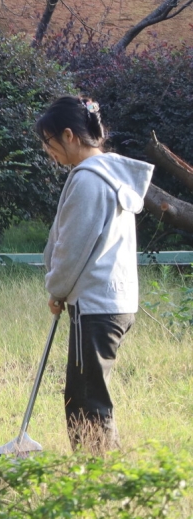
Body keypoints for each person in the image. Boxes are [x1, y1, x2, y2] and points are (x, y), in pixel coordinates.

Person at [38, 95, 153, 452]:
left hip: (96, 305)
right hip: (113, 301)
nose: (47, 151)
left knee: (87, 401)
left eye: (48, 142)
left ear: (68, 135)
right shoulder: (110, 174)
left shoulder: (89, 181)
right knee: (86, 394)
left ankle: (98, 475)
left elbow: (73, 248)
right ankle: (100, 472)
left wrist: (57, 289)